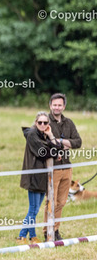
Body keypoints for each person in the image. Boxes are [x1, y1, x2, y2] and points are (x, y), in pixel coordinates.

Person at [18, 112, 62, 244]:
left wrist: (51, 135)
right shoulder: (32, 134)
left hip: (43, 177)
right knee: (33, 208)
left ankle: (27, 236)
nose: (42, 125)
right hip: (34, 176)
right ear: (35, 123)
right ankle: (26, 236)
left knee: (35, 209)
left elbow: (58, 148)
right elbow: (42, 152)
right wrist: (55, 154)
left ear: (48, 124)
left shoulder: (44, 135)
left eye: (45, 123)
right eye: (40, 122)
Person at [46, 93, 82, 241]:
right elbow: (45, 143)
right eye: (54, 105)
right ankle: (47, 231)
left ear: (64, 106)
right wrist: (63, 145)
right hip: (52, 168)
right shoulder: (44, 121)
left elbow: (78, 142)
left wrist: (61, 141)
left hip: (67, 167)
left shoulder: (69, 123)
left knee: (61, 202)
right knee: (51, 201)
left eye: (59, 105)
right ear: (50, 105)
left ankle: (55, 230)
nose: (57, 107)